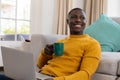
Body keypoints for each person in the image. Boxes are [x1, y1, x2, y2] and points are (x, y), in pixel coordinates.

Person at [37, 8, 101, 80]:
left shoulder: (92, 44)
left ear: (86, 21)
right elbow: (40, 65)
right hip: (40, 75)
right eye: (74, 17)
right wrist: (45, 53)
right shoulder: (60, 42)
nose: (78, 20)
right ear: (68, 21)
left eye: (82, 18)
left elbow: (85, 74)